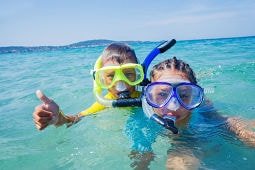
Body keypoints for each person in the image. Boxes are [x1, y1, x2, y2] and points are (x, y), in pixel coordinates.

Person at [131, 57, 255, 169]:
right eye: (163, 94)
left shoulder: (203, 109)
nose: (173, 106)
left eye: (184, 95)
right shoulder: (142, 115)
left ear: (194, 96)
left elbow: (225, 121)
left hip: (191, 136)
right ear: (149, 94)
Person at [33, 42, 144, 130]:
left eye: (128, 74)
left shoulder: (147, 95)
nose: (121, 84)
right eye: (111, 75)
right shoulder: (105, 103)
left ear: (139, 74)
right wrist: (58, 119)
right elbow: (75, 118)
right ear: (101, 78)